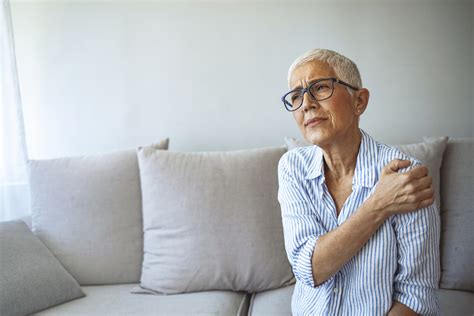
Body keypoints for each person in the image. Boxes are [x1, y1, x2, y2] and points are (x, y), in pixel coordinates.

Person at [278, 48, 440, 315]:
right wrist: (379, 205)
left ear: (359, 102)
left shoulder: (406, 178)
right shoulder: (292, 167)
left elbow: (417, 296)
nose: (306, 104)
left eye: (319, 88)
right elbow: (309, 269)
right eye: (296, 96)